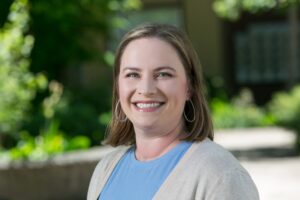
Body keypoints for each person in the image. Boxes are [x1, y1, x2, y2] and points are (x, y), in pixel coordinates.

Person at [87, 23, 259, 200]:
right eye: (132, 74)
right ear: (118, 86)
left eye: (163, 74)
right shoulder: (105, 169)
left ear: (189, 87)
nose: (146, 89)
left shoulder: (220, 175)